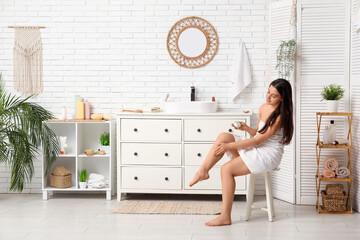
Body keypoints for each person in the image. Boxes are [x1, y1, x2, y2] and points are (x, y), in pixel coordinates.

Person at [189, 78, 294, 226]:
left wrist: (230, 146)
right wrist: (246, 129)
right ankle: (203, 171)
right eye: (268, 92)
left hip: (268, 153)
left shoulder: (280, 117)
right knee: (223, 136)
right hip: (259, 145)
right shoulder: (264, 107)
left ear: (283, 98)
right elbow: (258, 133)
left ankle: (225, 216)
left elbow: (258, 141)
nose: (268, 97)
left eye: (273, 96)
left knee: (226, 169)